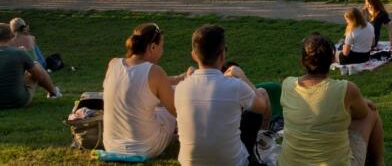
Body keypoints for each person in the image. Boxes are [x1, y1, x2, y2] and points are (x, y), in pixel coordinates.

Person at [279, 33, 385, 166]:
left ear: (302, 62)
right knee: (371, 112)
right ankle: (379, 162)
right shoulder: (346, 89)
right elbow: (362, 114)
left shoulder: (287, 84)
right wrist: (361, 102)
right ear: (332, 60)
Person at [174, 24, 269, 166]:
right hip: (232, 162)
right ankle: (259, 146)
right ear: (223, 55)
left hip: (189, 162)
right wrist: (243, 77)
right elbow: (262, 107)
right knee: (253, 114)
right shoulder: (236, 86)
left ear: (194, 55)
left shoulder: (181, 88)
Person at [103, 23, 187, 159]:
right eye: (162, 46)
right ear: (153, 47)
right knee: (172, 102)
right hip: (144, 148)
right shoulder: (155, 72)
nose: (162, 50)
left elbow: (141, 82)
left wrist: (179, 78)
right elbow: (176, 111)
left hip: (112, 146)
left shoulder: (113, 64)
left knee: (151, 102)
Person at [0, 23, 60, 109]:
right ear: (10, 36)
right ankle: (53, 93)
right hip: (18, 101)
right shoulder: (18, 52)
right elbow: (40, 76)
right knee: (36, 65)